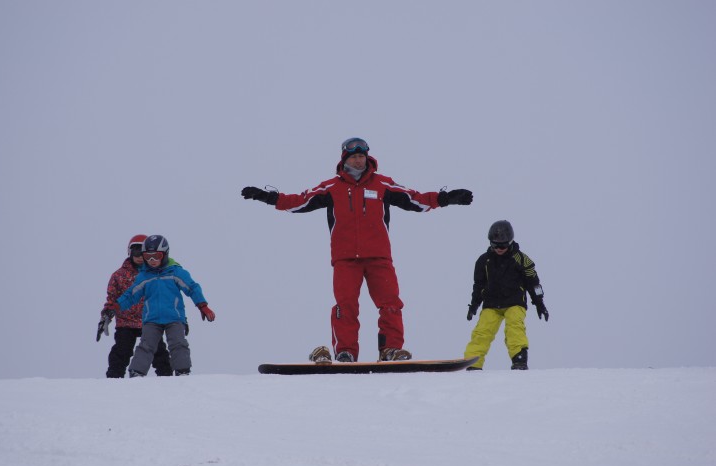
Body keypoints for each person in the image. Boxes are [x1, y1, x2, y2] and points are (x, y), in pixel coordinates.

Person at [242, 137, 473, 362]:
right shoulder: (331, 187)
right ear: (345, 160)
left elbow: (415, 199)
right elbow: (298, 201)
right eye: (354, 157)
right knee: (346, 307)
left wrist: (446, 198)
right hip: (345, 260)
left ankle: (390, 350)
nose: (359, 161)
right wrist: (267, 197)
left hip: (379, 257)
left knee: (390, 304)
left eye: (362, 156)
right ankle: (346, 353)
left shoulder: (382, 184)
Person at [104, 235, 216, 377]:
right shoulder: (144, 276)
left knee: (178, 343)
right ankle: (137, 372)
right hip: (152, 319)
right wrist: (115, 307)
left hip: (174, 317)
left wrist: (202, 306)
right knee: (146, 345)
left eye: (156, 256)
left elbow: (192, 288)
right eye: (148, 256)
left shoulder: (175, 272)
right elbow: (131, 295)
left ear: (165, 254)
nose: (152, 261)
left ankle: (182, 371)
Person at [463, 220, 549, 370]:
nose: (499, 249)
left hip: (514, 302)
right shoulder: (484, 261)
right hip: (491, 304)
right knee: (482, 332)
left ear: (510, 242)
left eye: (503, 245)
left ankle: (519, 360)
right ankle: (473, 364)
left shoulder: (521, 259)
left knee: (514, 327)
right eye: (495, 245)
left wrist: (540, 303)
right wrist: (474, 306)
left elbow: (534, 283)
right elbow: (478, 286)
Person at [98, 235, 172, 378]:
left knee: (159, 351)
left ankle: (167, 378)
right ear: (129, 253)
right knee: (122, 350)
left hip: (149, 321)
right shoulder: (119, 275)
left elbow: (167, 297)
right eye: (135, 253)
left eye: (142, 253)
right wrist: (106, 315)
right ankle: (114, 378)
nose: (139, 257)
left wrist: (179, 319)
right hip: (126, 322)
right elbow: (112, 298)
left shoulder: (154, 274)